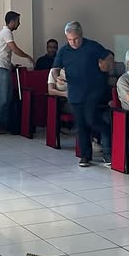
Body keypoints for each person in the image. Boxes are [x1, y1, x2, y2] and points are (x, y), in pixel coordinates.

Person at [52, 21, 113, 167]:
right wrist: (57, 76)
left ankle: (109, 141)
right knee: (81, 126)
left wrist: (105, 65)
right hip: (75, 93)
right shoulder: (64, 50)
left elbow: (109, 57)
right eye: (70, 39)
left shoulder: (92, 46)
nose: (73, 42)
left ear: (81, 35)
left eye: (76, 39)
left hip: (94, 91)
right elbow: (55, 68)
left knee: (91, 120)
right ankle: (85, 156)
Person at [0, 11, 33, 135]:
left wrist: (11, 65)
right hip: (0, 69)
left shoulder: (6, 32)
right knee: (2, 98)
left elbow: (4, 53)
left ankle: (2, 125)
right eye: (18, 21)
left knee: (7, 98)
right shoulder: (6, 32)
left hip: (4, 68)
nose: (19, 24)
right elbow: (14, 49)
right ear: (12, 21)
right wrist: (27, 56)